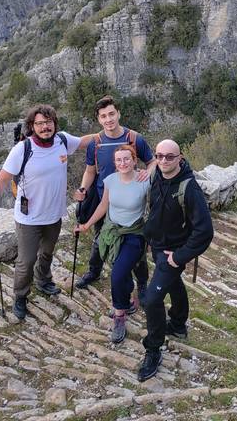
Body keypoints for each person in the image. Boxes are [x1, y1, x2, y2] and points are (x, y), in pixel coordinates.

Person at [0, 104, 93, 320]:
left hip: (54, 214)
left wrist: (112, 132)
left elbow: (84, 141)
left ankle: (43, 281)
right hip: (28, 218)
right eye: (40, 123)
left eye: (48, 122)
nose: (45, 127)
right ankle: (20, 296)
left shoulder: (62, 141)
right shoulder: (22, 149)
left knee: (47, 253)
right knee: (25, 261)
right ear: (32, 126)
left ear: (54, 123)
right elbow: (3, 179)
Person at [137, 139, 213, 382]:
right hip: (158, 246)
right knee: (174, 284)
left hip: (173, 252)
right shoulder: (157, 175)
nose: (163, 160)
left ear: (180, 158)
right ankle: (178, 324)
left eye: (169, 157)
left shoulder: (189, 188)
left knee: (151, 299)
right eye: (159, 155)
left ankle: (153, 348)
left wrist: (179, 256)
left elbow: (205, 231)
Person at [73, 95, 156, 302]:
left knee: (136, 251)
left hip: (130, 204)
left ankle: (142, 284)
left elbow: (152, 161)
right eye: (103, 116)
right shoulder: (96, 143)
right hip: (104, 199)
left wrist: (148, 171)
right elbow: (90, 171)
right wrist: (83, 188)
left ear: (118, 113)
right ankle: (94, 271)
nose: (108, 119)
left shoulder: (134, 138)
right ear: (98, 119)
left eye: (111, 114)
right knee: (100, 241)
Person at [75, 145, 149, 343]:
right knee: (120, 271)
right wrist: (86, 225)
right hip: (112, 233)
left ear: (134, 160)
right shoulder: (110, 180)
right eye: (119, 160)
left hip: (134, 234)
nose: (123, 163)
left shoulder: (144, 181)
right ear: (115, 163)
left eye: (127, 159)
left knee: (117, 274)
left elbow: (161, 165)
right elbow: (103, 205)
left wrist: (149, 169)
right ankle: (129, 302)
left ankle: (119, 315)